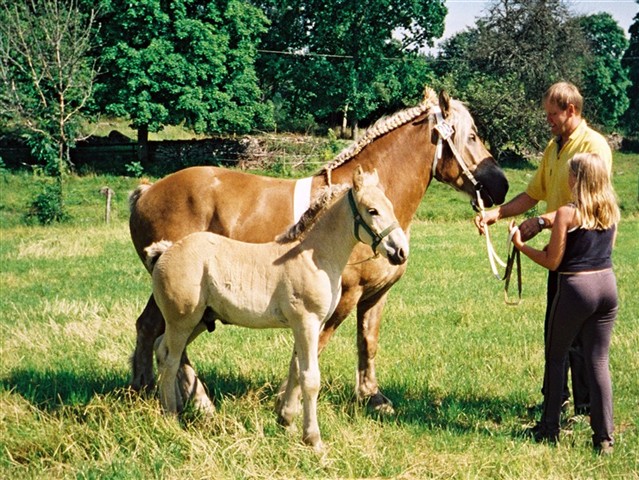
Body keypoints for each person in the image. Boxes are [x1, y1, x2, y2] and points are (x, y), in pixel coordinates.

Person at [475, 81, 612, 416]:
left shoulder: (594, 146)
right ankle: (562, 400)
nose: (548, 120)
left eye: (553, 115)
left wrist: (540, 222)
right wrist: (497, 213)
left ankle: (579, 407)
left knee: (577, 340)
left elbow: (590, 203)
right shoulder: (555, 147)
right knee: (559, 335)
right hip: (562, 253)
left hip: (582, 254)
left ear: (572, 110)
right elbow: (534, 193)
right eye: (547, 114)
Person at [509, 153, 619, 453]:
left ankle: (549, 427)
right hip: (607, 287)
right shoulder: (611, 212)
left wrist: (521, 245)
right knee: (598, 361)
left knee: (557, 357)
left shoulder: (566, 214)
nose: (567, 179)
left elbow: (552, 262)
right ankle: (604, 438)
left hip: (576, 288)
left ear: (578, 179)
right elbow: (600, 249)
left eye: (571, 174)